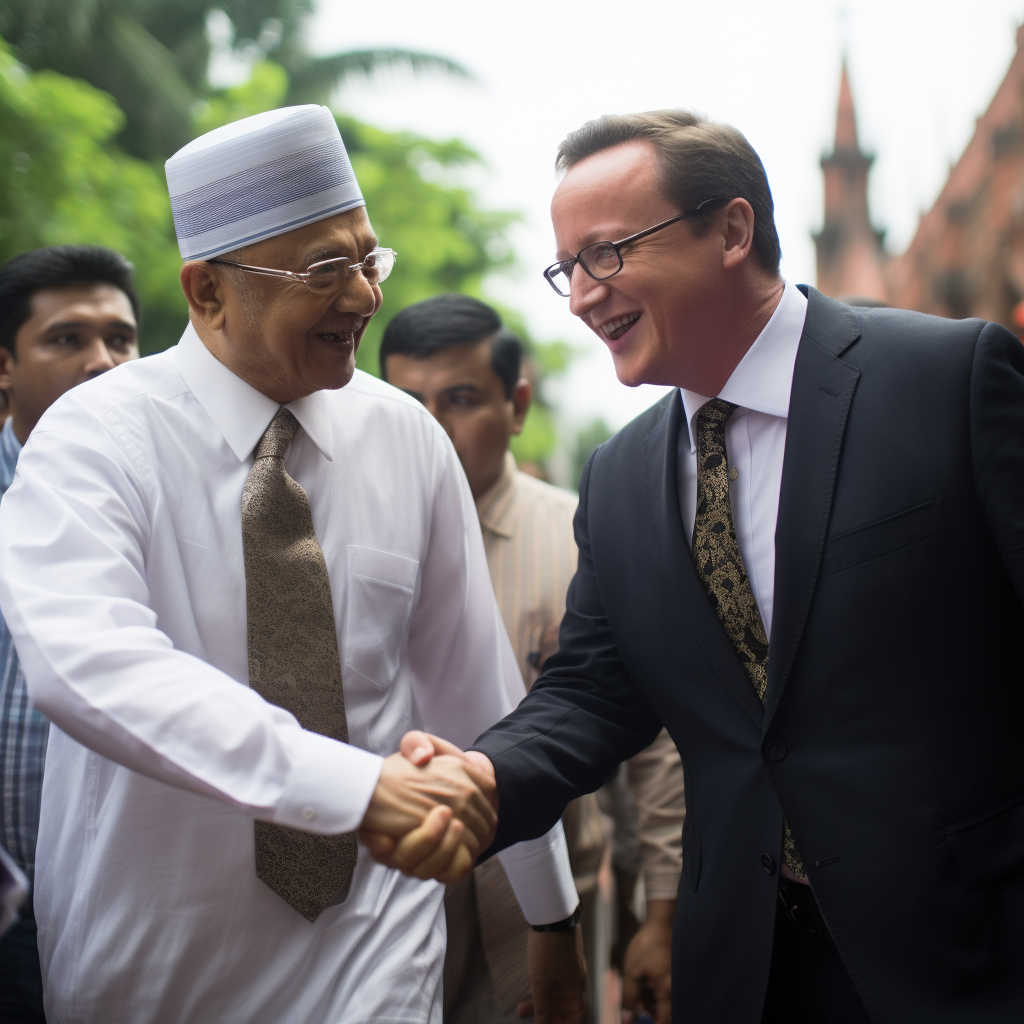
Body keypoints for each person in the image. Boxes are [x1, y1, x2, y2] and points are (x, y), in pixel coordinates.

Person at [394, 109, 1024, 1024]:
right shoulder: (619, 477)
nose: (579, 298)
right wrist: (486, 780)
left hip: (969, 948)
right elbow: (594, 693)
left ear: (731, 230)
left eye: (606, 255)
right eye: (566, 269)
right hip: (741, 965)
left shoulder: (948, 381)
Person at [0, 106, 583, 1024]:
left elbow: (477, 691)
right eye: (324, 270)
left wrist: (552, 915)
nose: (363, 298)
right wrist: (353, 788)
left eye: (367, 260)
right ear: (206, 292)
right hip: (149, 961)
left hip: (377, 948)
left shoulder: (405, 439)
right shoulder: (96, 437)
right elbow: (89, 662)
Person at [380, 294, 685, 1024]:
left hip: (552, 916)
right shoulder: (341, 543)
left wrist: (663, 917)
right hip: (395, 919)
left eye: (459, 399)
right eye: (407, 401)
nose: (431, 426)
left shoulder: (587, 537)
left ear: (516, 406)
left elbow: (651, 746)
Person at [0, 244, 142, 1023]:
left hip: (126, 906)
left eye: (120, 339)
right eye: (66, 339)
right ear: (4, 365)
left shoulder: (194, 504)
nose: (103, 363)